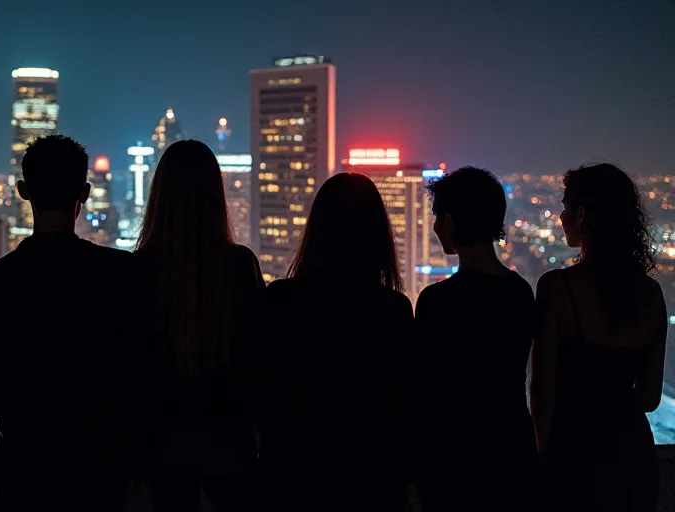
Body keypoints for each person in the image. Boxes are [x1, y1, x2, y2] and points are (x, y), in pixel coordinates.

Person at [0, 135, 137, 511]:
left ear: (23, 191)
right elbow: (138, 373)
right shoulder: (120, 275)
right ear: (85, 193)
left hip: (24, 469)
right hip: (101, 471)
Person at [253, 172, 412, 511]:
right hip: (371, 478)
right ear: (377, 235)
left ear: (316, 230)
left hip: (293, 472)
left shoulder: (280, 300)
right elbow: (402, 404)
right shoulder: (393, 310)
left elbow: (261, 387)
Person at [134, 140, 264, 512]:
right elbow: (257, 358)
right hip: (229, 440)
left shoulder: (137, 271)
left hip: (161, 443)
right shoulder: (240, 267)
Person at [532, 163, 666, 511]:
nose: (561, 217)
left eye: (565, 207)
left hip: (574, 454)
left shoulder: (558, 289)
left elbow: (542, 394)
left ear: (582, 214)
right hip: (633, 456)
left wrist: (542, 460)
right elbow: (650, 397)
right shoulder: (650, 294)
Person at [412, 167, 537, 511]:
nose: (435, 227)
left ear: (451, 221)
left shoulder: (437, 301)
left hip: (452, 460)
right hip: (511, 452)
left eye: (437, 217)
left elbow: (425, 391)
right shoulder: (520, 293)